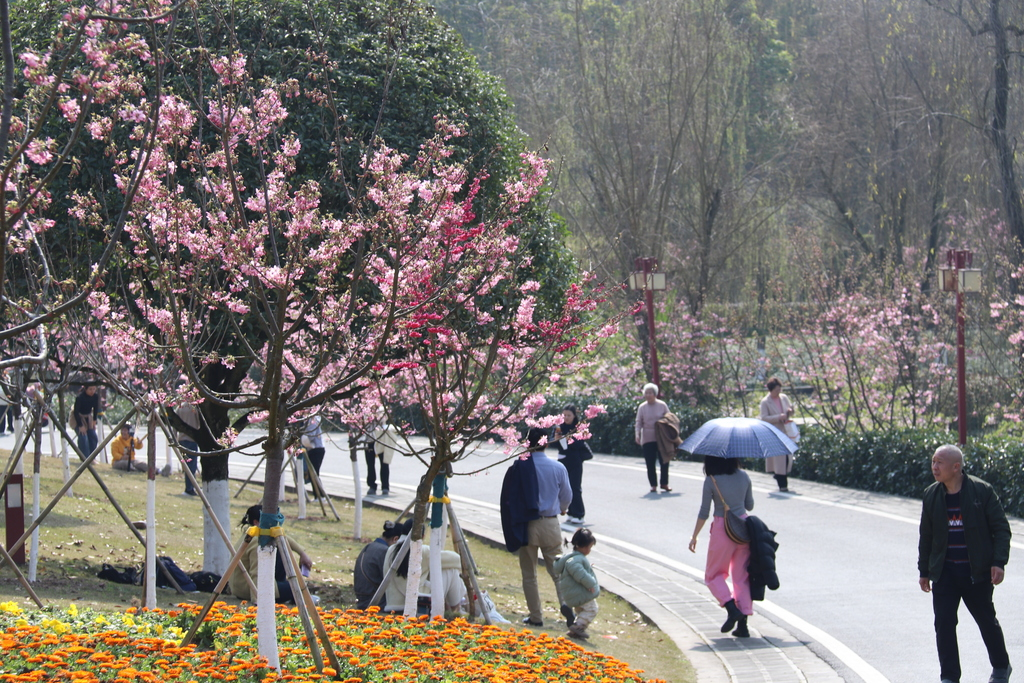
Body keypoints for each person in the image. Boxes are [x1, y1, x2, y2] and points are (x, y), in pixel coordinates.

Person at [918, 445, 1012, 683]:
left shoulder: (982, 492)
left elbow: (1001, 529)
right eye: (933, 462)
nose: (934, 467)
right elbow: (926, 535)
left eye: (940, 462)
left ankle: (1001, 667)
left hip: (976, 573)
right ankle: (949, 676)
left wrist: (998, 562)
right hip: (945, 573)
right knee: (944, 625)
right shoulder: (931, 494)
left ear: (956, 467)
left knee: (986, 621)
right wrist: (924, 571)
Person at [500, 426, 572, 627]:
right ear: (546, 442)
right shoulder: (558, 468)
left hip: (527, 525)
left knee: (529, 573)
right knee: (557, 570)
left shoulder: (519, 467)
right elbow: (567, 497)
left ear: (527, 443)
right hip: (550, 524)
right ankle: (566, 604)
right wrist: (563, 509)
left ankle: (536, 616)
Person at [688, 454, 755, 638]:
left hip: (722, 529)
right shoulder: (744, 476)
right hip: (743, 529)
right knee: (741, 577)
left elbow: (704, 511)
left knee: (713, 575)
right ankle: (743, 626)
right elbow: (749, 505)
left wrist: (694, 536)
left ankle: (731, 608)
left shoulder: (711, 480)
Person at [229, 504, 313, 604]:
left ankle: (281, 589)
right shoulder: (257, 541)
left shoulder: (251, 533)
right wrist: (258, 599)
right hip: (247, 589)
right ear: (256, 522)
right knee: (300, 587)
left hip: (241, 587)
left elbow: (282, 538)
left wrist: (302, 553)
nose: (274, 525)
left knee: (280, 549)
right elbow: (256, 572)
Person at [381, 530, 466, 614]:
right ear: (423, 536)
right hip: (416, 604)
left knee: (438, 569)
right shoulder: (421, 550)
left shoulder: (391, 549)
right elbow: (458, 559)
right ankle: (456, 608)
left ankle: (452, 607)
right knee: (451, 570)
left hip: (392, 605)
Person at [553, 527, 600, 640]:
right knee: (592, 609)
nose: (590, 550)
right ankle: (577, 627)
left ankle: (576, 632)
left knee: (582, 612)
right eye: (589, 547)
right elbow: (580, 574)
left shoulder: (572, 557)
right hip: (580, 593)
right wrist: (590, 584)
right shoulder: (575, 560)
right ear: (582, 546)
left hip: (573, 593)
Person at [354, 519, 406, 610]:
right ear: (396, 539)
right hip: (374, 601)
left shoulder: (371, 546)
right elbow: (394, 581)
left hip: (363, 598)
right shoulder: (385, 552)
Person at [553, 405, 592, 525]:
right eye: (564, 415)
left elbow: (578, 444)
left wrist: (567, 439)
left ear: (574, 416)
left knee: (575, 487)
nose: (566, 417)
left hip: (575, 461)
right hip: (563, 460)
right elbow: (554, 444)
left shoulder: (578, 428)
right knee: (565, 487)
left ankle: (579, 514)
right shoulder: (559, 427)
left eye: (569, 415)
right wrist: (556, 439)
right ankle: (570, 512)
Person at [758, 377, 795, 492]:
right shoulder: (765, 402)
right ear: (771, 390)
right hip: (774, 432)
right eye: (776, 390)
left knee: (787, 458)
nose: (778, 392)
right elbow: (764, 418)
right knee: (780, 459)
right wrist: (778, 417)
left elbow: (790, 410)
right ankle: (782, 484)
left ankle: (779, 475)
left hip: (786, 430)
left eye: (779, 389)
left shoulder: (784, 398)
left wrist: (790, 411)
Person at [635, 383, 671, 493]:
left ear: (655, 394)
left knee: (664, 461)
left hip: (661, 437)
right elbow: (638, 422)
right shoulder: (642, 407)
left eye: (650, 392)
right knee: (650, 463)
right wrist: (637, 434)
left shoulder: (662, 405)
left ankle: (664, 483)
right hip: (647, 437)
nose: (648, 395)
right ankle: (653, 485)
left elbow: (669, 418)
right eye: (646, 393)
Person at [175, 402, 201, 496]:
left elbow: (174, 423)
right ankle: (189, 489)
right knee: (192, 466)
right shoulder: (195, 407)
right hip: (192, 439)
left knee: (186, 466)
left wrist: (174, 438)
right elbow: (199, 422)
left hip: (182, 440)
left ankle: (190, 487)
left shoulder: (180, 407)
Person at [300, 415, 326, 496]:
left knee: (314, 474)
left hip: (316, 449)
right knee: (313, 474)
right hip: (313, 449)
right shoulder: (310, 420)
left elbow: (311, 436)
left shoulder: (313, 420)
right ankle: (317, 496)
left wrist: (301, 437)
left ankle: (320, 496)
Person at [73, 385, 100, 456]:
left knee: (93, 437)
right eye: (90, 389)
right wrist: (80, 426)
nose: (92, 391)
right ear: (85, 389)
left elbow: (95, 409)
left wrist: (94, 420)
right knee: (83, 437)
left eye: (94, 389)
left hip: (88, 418)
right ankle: (84, 458)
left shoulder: (95, 397)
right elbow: (76, 412)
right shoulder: (80, 397)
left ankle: (91, 457)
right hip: (78, 418)